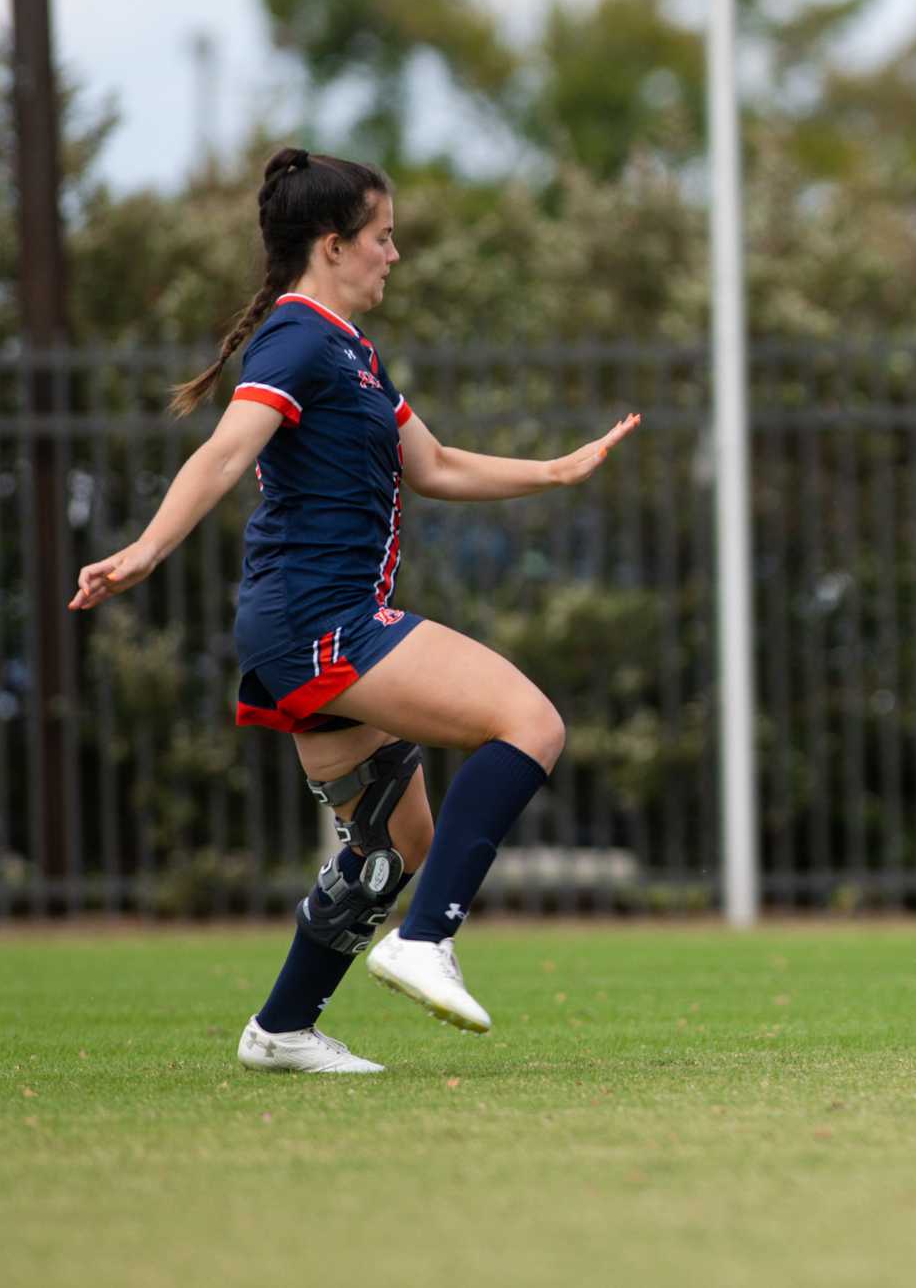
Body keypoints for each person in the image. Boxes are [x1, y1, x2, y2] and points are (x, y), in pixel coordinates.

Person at [71, 147, 641, 1074]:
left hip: (297, 627)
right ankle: (425, 941)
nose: (395, 254)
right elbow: (223, 454)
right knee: (530, 722)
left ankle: (282, 1027)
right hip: (321, 621)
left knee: (396, 838)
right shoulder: (297, 338)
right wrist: (143, 550)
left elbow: (437, 464)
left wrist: (558, 468)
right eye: (382, 236)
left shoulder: (352, 352)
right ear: (332, 244)